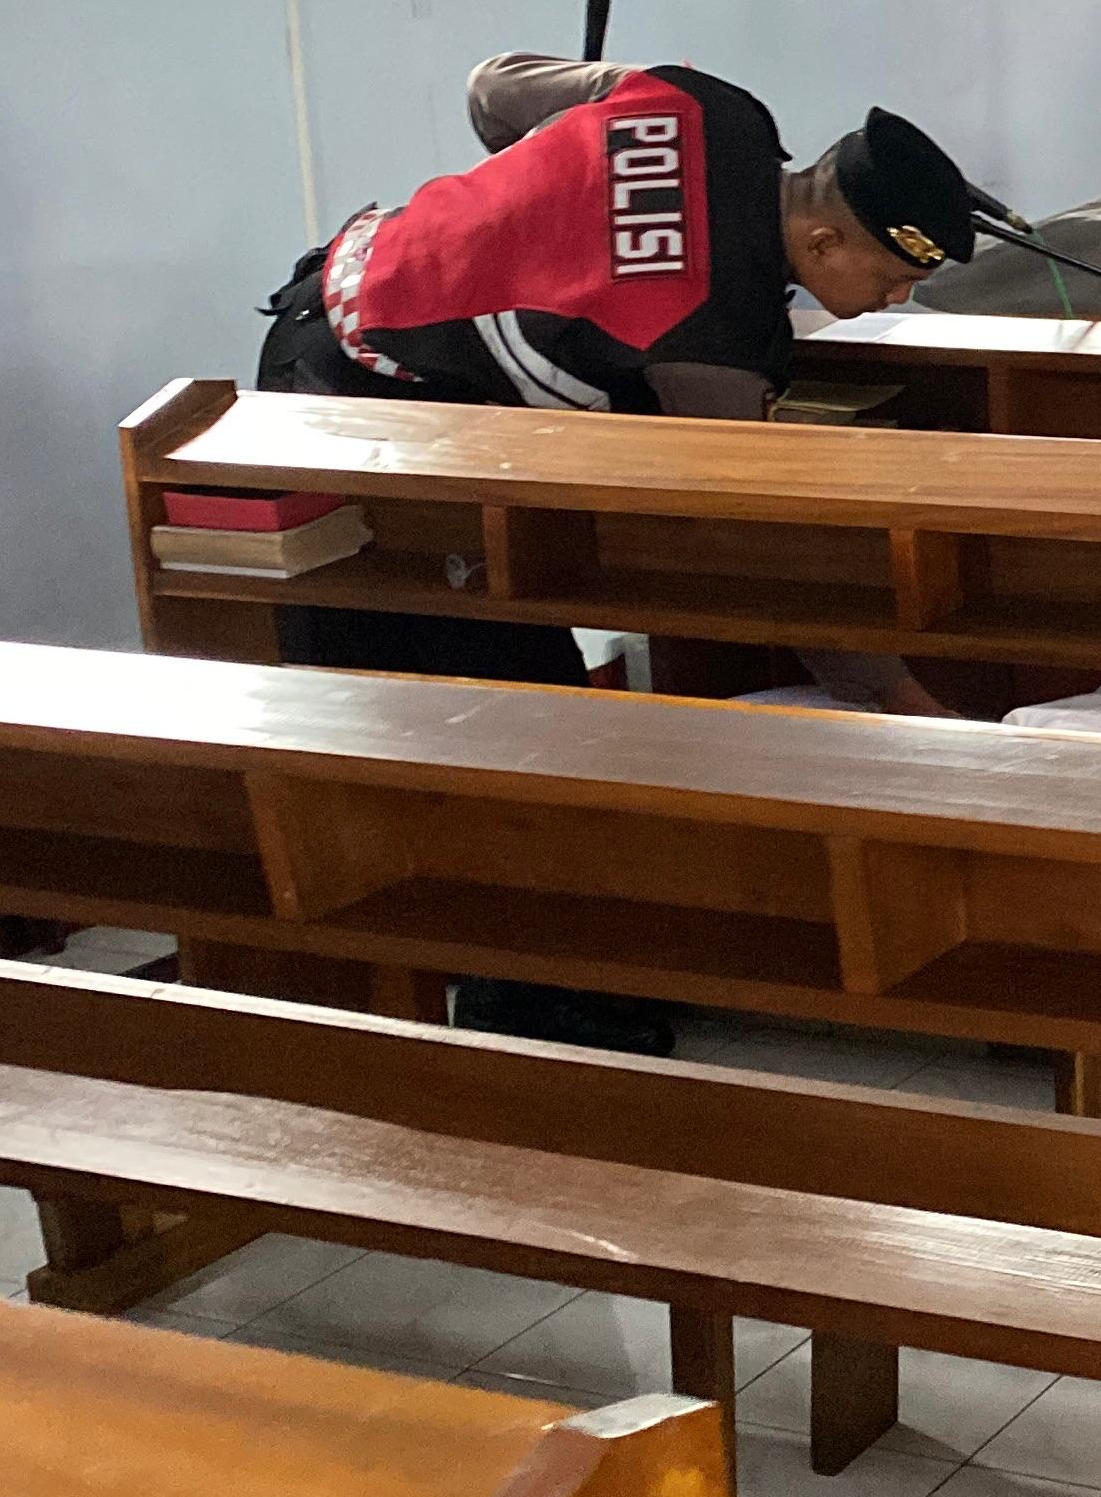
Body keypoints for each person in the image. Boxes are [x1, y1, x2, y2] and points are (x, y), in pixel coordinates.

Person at [255, 53, 986, 1049]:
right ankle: (514, 997)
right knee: (500, 707)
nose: (893, 302)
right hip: (362, 395)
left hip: (358, 299)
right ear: (820, 238)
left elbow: (491, 91)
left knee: (526, 685)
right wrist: (912, 709)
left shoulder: (710, 107)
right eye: (891, 278)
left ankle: (550, 962)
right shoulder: (709, 337)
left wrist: (572, 183)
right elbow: (760, 550)